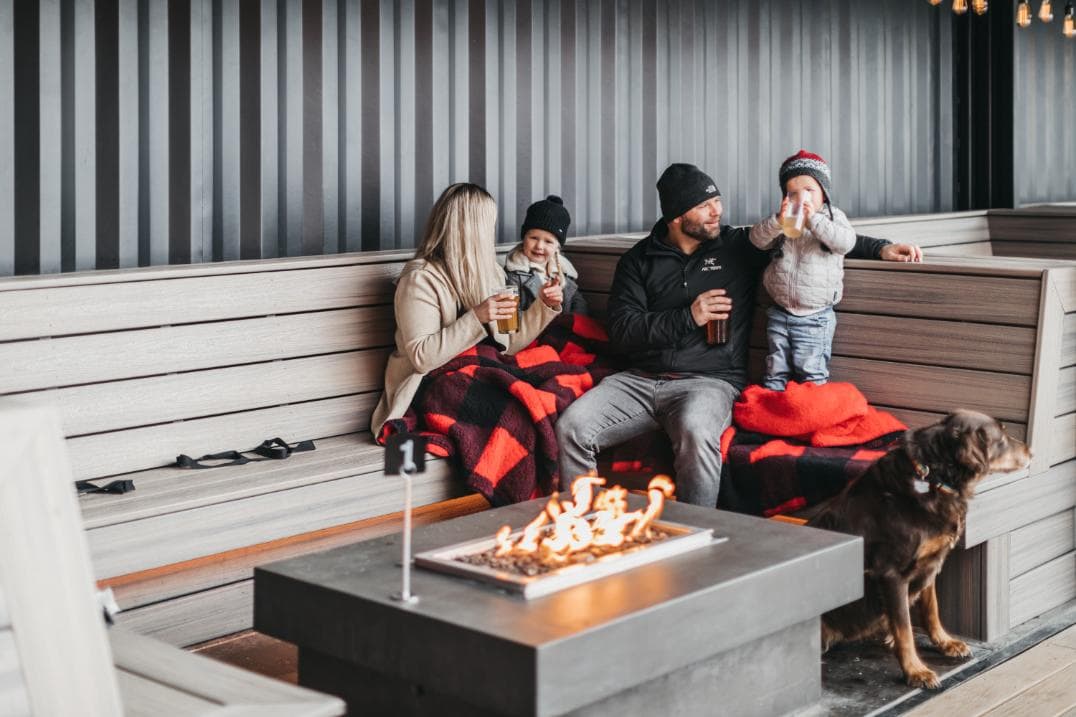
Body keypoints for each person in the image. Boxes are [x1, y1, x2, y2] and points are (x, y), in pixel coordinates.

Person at [555, 163, 922, 507]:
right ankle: (582, 526)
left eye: (718, 201)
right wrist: (689, 316)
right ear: (677, 217)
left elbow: (819, 236)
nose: (717, 211)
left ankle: (698, 541)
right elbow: (623, 331)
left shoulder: (736, 247)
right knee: (572, 427)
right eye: (705, 205)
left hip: (709, 382)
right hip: (638, 381)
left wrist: (882, 248)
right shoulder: (639, 260)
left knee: (697, 434)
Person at [371, 183, 563, 437]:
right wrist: (477, 317)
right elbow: (422, 358)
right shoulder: (421, 279)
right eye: (489, 225)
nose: (491, 233)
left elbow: (511, 342)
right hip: (426, 387)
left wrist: (544, 305)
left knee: (547, 401)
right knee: (514, 417)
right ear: (473, 230)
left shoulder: (491, 273)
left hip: (476, 375)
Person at [749, 150, 851, 390]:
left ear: (824, 194)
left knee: (811, 372)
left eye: (809, 190)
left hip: (815, 317)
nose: (800, 197)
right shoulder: (783, 222)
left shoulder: (832, 218)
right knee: (774, 370)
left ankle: (810, 416)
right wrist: (776, 221)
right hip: (779, 312)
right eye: (792, 192)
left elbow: (845, 242)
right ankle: (771, 416)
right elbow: (757, 240)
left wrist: (814, 220)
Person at [504, 195, 588, 315]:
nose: (539, 246)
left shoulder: (564, 274)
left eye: (548, 241)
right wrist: (544, 304)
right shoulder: (512, 276)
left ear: (557, 247)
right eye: (534, 238)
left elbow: (579, 306)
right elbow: (512, 317)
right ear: (524, 239)